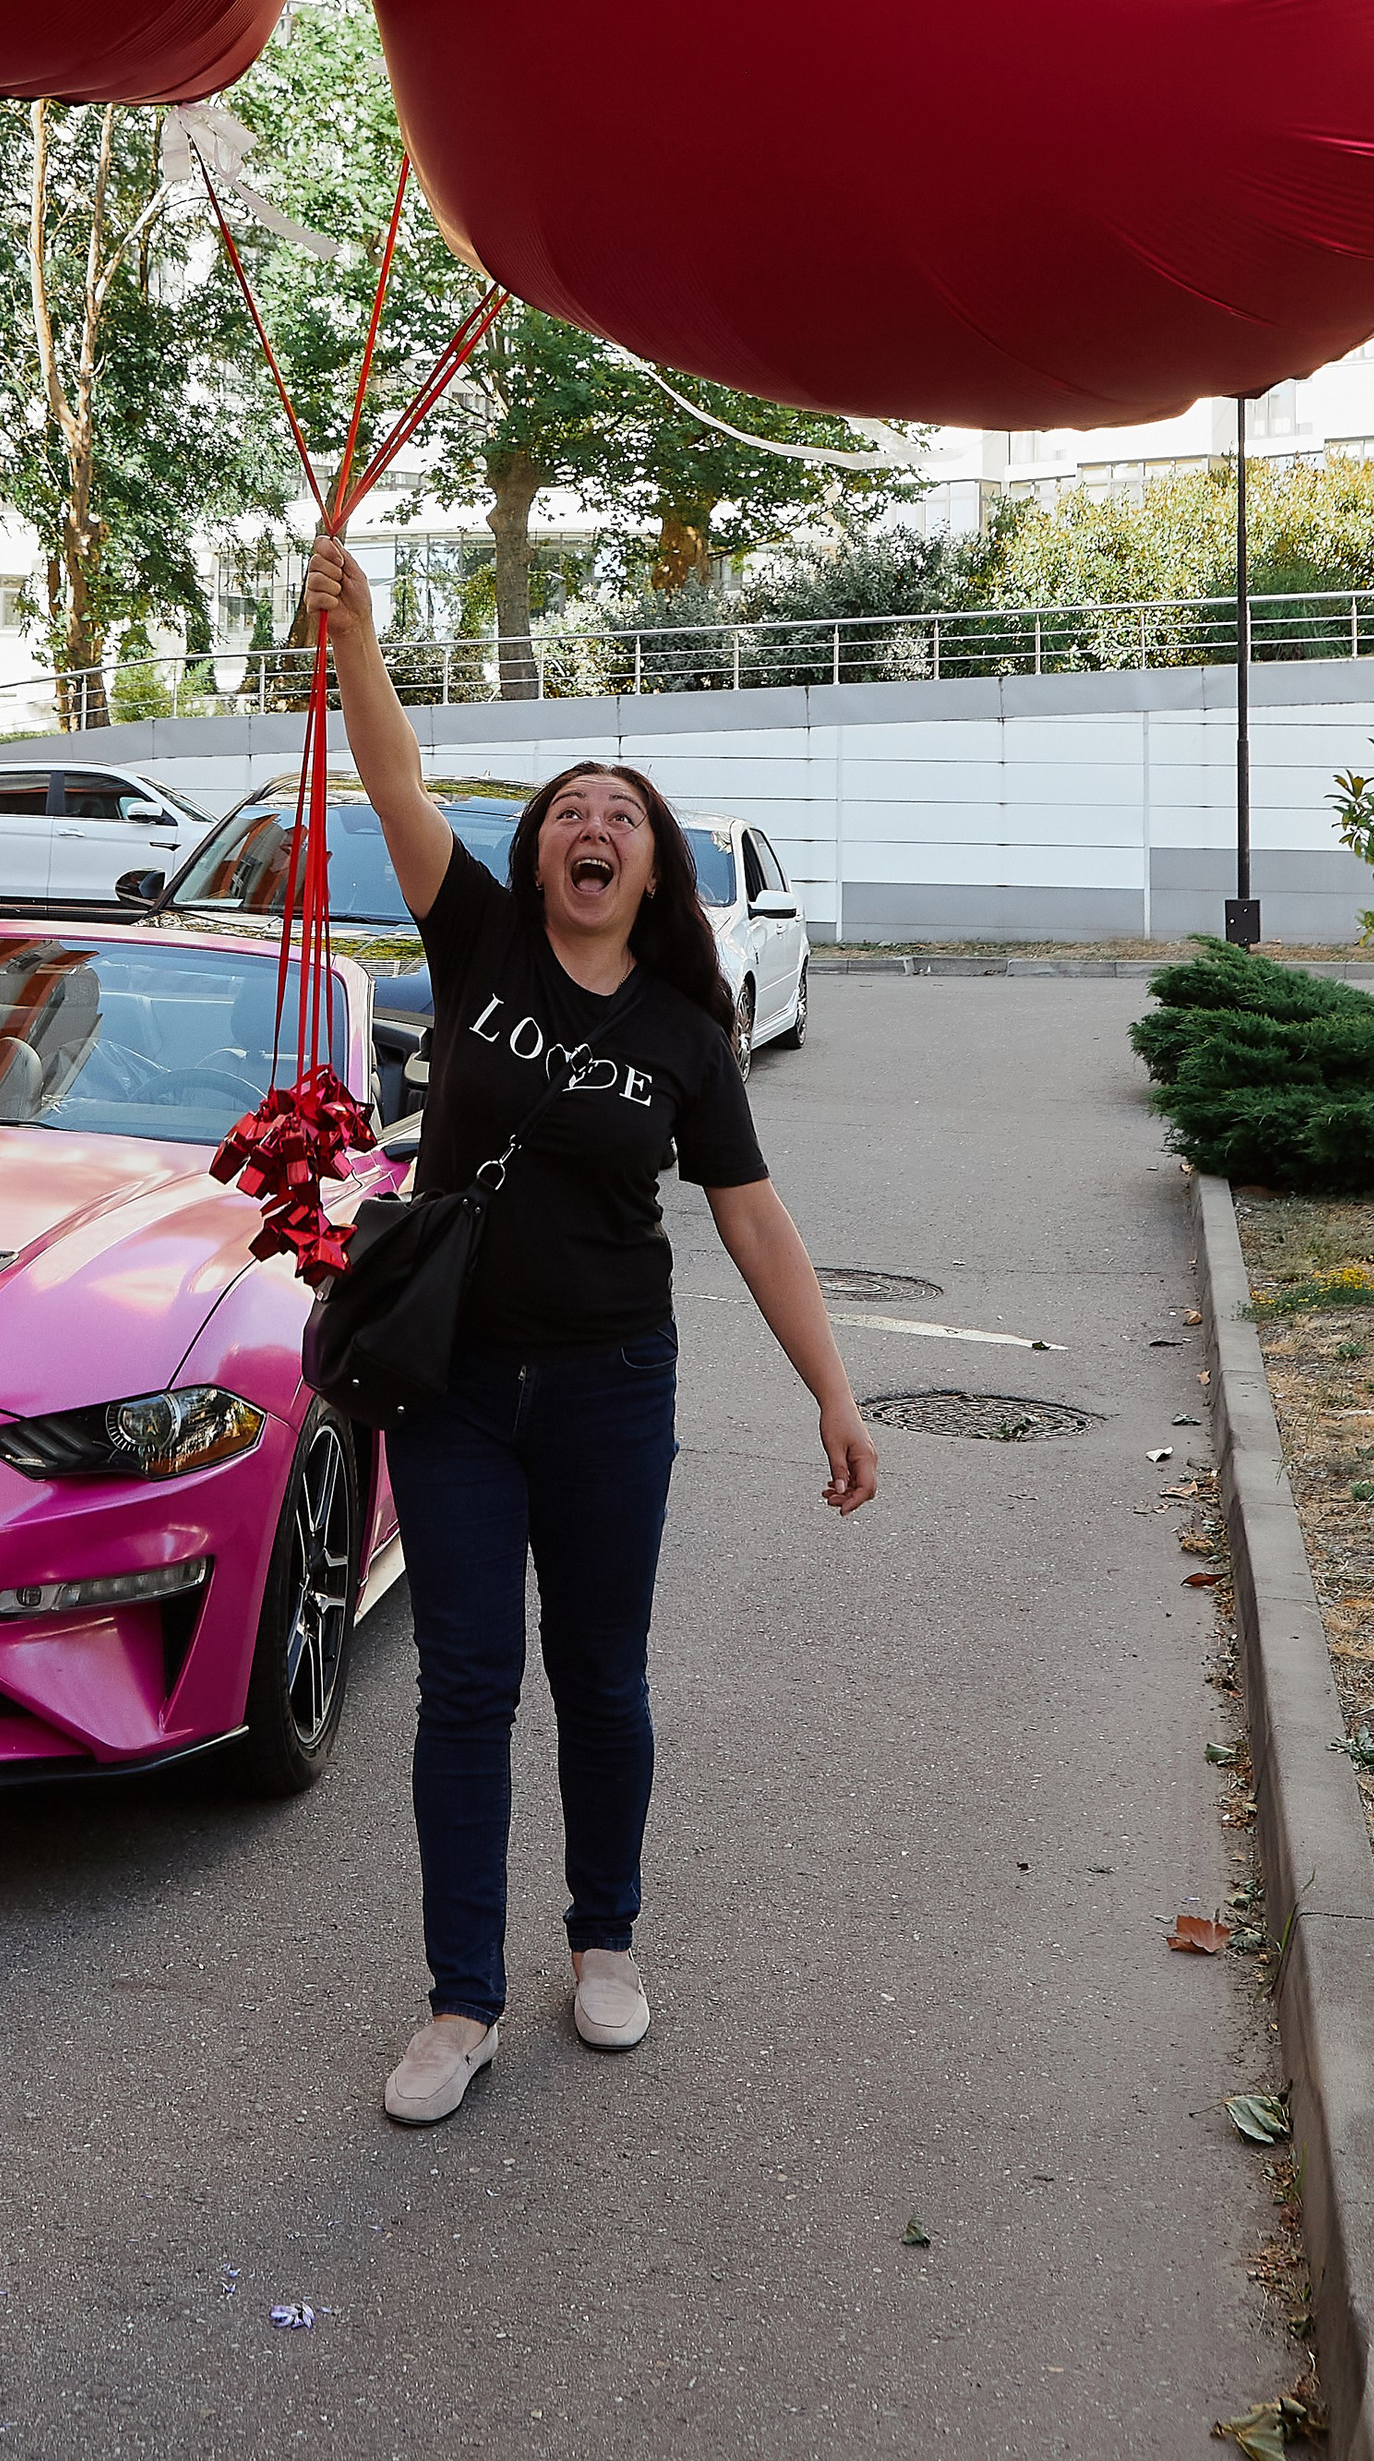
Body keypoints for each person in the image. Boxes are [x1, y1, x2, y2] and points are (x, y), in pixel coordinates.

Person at [302, 530, 879, 2129]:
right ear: (540, 848)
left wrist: (836, 1392)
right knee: (466, 1682)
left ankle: (605, 1939)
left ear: (652, 863)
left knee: (603, 1675)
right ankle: (461, 1997)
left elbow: (750, 1216)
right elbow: (399, 776)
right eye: (571, 810)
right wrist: (352, 632)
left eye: (621, 816)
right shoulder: (475, 938)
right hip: (461, 1389)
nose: (594, 828)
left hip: (618, 1387)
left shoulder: (691, 1033)